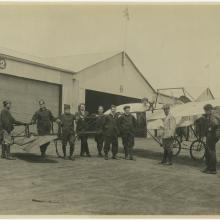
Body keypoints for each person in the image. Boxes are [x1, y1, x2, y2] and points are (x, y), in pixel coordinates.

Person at [202, 104, 219, 174]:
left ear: (209, 110)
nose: (205, 112)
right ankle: (208, 167)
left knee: (211, 151)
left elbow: (215, 123)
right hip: (213, 134)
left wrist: (210, 127)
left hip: (213, 134)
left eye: (205, 111)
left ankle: (212, 169)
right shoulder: (213, 114)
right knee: (208, 150)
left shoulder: (213, 114)